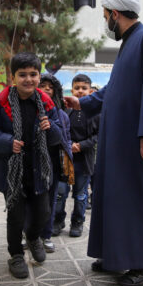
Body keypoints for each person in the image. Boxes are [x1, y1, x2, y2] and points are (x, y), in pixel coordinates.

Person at [64, 0, 143, 286]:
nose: (105, 22)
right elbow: (114, 89)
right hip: (119, 143)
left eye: (105, 16)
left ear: (115, 14)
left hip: (140, 142)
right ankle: (117, 255)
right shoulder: (128, 44)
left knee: (142, 199)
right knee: (117, 198)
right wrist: (82, 103)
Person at [0, 52, 62, 279]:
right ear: (13, 76)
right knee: (15, 216)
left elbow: (58, 136)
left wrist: (50, 128)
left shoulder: (46, 103)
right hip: (11, 172)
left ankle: (34, 237)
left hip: (38, 170)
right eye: (22, 74)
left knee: (43, 212)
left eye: (33, 74)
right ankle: (15, 254)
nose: (29, 79)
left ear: (39, 76)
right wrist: (7, 142)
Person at [53, 74, 100, 238]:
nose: (80, 91)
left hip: (85, 160)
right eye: (77, 88)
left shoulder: (96, 113)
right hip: (65, 159)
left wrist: (81, 146)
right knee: (60, 193)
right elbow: (59, 129)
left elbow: (98, 135)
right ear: (71, 90)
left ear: (91, 91)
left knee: (80, 195)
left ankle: (77, 222)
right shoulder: (65, 109)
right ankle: (57, 221)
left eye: (84, 88)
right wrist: (68, 145)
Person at [37, 73, 74, 252]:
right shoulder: (26, 109)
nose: (46, 89)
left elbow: (66, 141)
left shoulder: (61, 115)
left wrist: (68, 163)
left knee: (50, 202)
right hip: (32, 162)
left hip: (53, 163)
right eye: (42, 85)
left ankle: (46, 235)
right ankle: (30, 234)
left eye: (50, 87)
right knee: (29, 201)